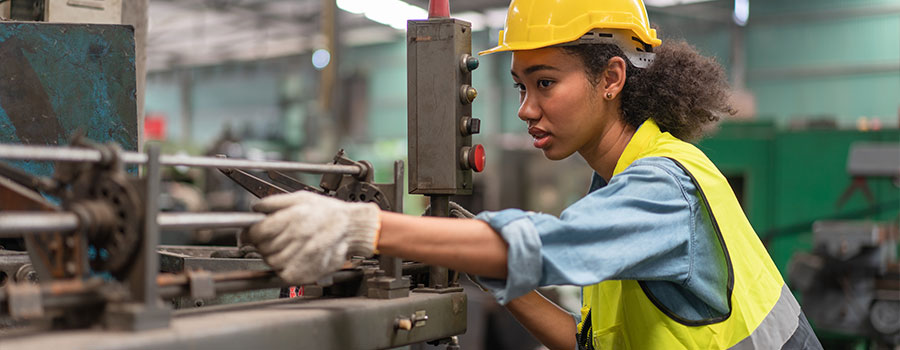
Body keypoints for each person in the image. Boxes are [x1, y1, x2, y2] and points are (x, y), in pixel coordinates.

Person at [243, 0, 823, 349]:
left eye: (545, 83)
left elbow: (542, 245)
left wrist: (361, 227)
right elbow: (583, 343)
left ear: (612, 78)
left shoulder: (663, 188)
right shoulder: (620, 180)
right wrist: (470, 251)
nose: (525, 108)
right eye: (522, 87)